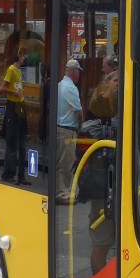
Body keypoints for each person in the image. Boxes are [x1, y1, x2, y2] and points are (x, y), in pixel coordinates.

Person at [0, 48, 29, 184]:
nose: (24, 58)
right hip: (12, 107)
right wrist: (13, 92)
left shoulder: (19, 71)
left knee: (22, 144)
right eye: (23, 56)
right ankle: (8, 173)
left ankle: (21, 175)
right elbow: (1, 88)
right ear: (19, 57)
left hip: (20, 107)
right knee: (12, 142)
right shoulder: (11, 69)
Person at [55, 58, 83, 204]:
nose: (79, 76)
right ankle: (62, 193)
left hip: (59, 128)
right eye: (78, 72)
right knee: (65, 163)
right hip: (67, 129)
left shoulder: (60, 85)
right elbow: (78, 111)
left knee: (61, 161)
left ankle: (61, 190)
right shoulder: (71, 88)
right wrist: (82, 124)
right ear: (74, 72)